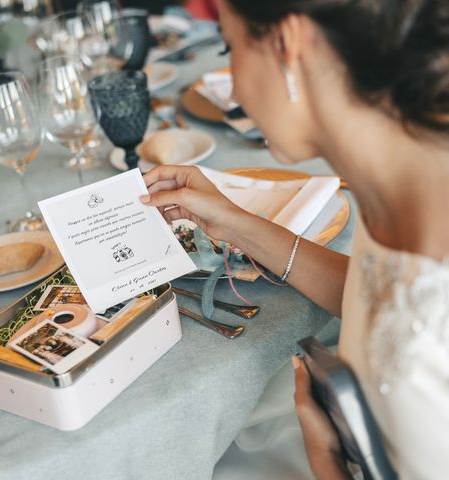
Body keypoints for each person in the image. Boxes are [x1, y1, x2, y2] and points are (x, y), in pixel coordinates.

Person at [140, 0, 449, 478]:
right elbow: (375, 290)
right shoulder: (406, 165)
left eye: (231, 47)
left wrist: (326, 462)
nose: (236, 86)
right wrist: (234, 221)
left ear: (288, 44)